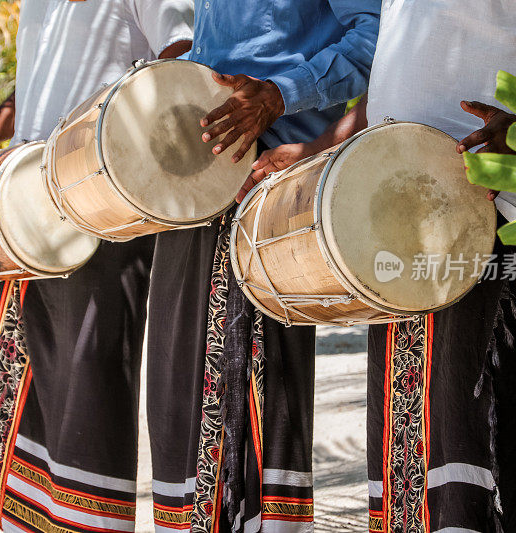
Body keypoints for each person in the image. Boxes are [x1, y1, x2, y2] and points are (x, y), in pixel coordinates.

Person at [245, 2, 516, 531]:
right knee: (408, 465)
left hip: (505, 209)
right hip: (401, 208)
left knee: (493, 458)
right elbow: (402, 60)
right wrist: (321, 147)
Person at [0, 1, 194, 531]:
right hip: (29, 197)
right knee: (38, 390)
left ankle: (94, 524)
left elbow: (182, 56)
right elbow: (48, 81)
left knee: (87, 391)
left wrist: (119, 149)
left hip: (101, 200)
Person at [143, 2, 380, 531]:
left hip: (265, 176)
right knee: (175, 377)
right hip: (197, 170)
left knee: (252, 387)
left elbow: (376, 38)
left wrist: (278, 95)